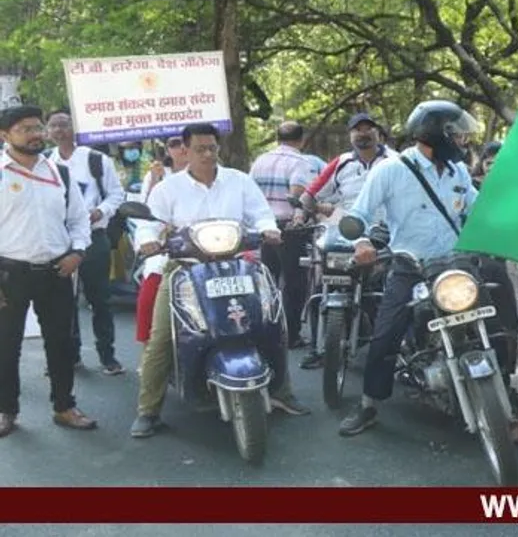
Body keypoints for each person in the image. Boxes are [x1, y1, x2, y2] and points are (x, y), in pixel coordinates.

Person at [129, 124, 309, 438]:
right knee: (160, 338)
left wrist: (269, 229)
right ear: (184, 150)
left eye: (212, 148)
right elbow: (150, 224)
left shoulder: (239, 181)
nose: (208, 154)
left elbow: (260, 213)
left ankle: (282, 391)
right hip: (185, 268)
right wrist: (147, 240)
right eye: (200, 149)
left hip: (236, 264)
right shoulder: (167, 189)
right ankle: (148, 410)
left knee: (269, 322)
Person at [336, 100, 487, 436]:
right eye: (457, 133)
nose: (463, 140)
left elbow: (478, 212)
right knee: (386, 334)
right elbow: (358, 216)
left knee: (496, 315)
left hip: (455, 265)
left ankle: (501, 389)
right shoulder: (390, 170)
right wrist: (361, 244)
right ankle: (369, 404)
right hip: (410, 266)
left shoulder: (458, 172)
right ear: (437, 132)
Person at [0, 106, 99, 436]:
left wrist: (78, 252)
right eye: (24, 128)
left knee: (61, 343)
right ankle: (6, 411)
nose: (35, 134)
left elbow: (78, 219)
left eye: (37, 127)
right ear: (4, 135)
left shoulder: (59, 172)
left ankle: (64, 407)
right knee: (5, 345)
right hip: (9, 275)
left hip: (56, 271)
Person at [295, 113, 394, 369]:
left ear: (378, 133)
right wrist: (301, 212)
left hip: (384, 232)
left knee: (392, 289)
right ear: (350, 135)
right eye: (357, 130)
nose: (363, 134)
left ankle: (397, 348)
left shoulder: (396, 162)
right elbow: (311, 193)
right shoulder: (340, 163)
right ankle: (318, 347)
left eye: (368, 129)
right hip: (344, 230)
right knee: (322, 281)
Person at [45, 109, 125, 375]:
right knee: (63, 302)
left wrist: (100, 211)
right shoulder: (45, 163)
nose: (58, 130)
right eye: (53, 125)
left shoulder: (95, 159)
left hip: (94, 238)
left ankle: (107, 356)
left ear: (75, 126)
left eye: (64, 124)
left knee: (99, 299)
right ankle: (72, 355)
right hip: (59, 242)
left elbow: (116, 194)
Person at [249, 121, 322, 349]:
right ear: (301, 139)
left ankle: (266, 330)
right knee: (295, 284)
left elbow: (251, 193)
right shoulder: (301, 162)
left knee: (267, 281)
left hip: (263, 228)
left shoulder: (260, 161)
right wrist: (301, 217)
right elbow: (298, 196)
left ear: (277, 137)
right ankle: (291, 335)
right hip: (288, 229)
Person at [135, 136, 190, 345]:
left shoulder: (216, 175)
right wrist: (156, 180)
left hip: (208, 247)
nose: (180, 149)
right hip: (166, 248)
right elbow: (146, 214)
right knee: (150, 296)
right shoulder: (158, 175)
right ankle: (150, 348)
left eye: (184, 143)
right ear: (167, 149)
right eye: (174, 144)